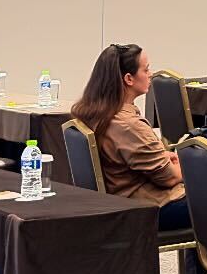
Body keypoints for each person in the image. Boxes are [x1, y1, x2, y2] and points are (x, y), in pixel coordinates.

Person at [70, 43, 190, 231]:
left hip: (121, 200)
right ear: (128, 78)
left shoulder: (93, 113)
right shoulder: (129, 125)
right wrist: (190, 165)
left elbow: (130, 159)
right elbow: (169, 178)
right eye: (146, 69)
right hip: (147, 207)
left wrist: (164, 158)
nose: (150, 74)